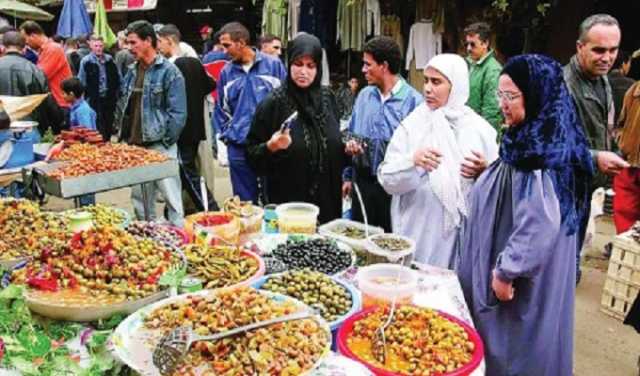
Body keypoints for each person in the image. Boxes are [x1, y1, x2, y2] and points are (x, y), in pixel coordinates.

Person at [459, 54, 595, 375]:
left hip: (522, 280)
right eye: (500, 94)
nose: (502, 104)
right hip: (525, 265)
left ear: (536, 97)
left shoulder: (538, 152)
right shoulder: (538, 133)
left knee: (517, 346)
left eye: (511, 96)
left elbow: (540, 223)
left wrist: (506, 272)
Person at [378, 54, 498, 268]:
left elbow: (497, 188)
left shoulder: (479, 130)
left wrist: (485, 173)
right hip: (418, 229)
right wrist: (412, 162)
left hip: (459, 238)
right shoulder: (413, 125)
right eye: (426, 81)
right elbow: (387, 179)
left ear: (457, 85)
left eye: (437, 82)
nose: (428, 89)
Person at [246, 33, 346, 223]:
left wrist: (347, 149)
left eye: (311, 66)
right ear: (288, 63)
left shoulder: (328, 99)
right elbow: (251, 154)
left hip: (328, 205)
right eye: (298, 64)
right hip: (288, 207)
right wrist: (272, 146)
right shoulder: (273, 103)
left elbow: (334, 144)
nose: (304, 72)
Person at [563, 13, 629, 283]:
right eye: (599, 50)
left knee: (573, 253)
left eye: (613, 50)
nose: (607, 57)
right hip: (563, 189)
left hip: (586, 183)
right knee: (561, 261)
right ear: (580, 47)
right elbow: (549, 146)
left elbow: (603, 127)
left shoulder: (601, 80)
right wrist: (594, 157)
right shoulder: (563, 86)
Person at [343, 36, 423, 232]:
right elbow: (351, 133)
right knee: (360, 238)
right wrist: (347, 175)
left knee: (389, 243)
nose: (363, 70)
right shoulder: (364, 96)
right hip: (362, 184)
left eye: (367, 64)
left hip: (394, 189)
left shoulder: (414, 102)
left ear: (384, 66)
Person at [113, 20, 187, 226]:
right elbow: (124, 106)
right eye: (127, 42)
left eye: (133, 42)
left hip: (160, 144)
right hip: (136, 146)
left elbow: (179, 113)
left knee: (171, 195)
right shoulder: (131, 71)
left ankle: (178, 235)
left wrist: (165, 141)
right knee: (140, 199)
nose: (129, 47)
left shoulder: (169, 72)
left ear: (148, 41)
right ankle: (148, 237)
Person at [214, 22, 287, 202]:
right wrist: (227, 137)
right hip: (239, 146)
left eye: (227, 45)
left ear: (241, 42)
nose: (224, 51)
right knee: (245, 204)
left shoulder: (273, 66)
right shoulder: (226, 72)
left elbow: (287, 102)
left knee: (274, 201)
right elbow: (221, 110)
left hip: (269, 144)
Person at [157, 24, 218, 214]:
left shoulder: (170, 68)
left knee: (188, 172)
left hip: (181, 131)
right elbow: (210, 85)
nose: (158, 46)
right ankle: (172, 210)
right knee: (183, 172)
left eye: (159, 41)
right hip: (196, 128)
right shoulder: (194, 64)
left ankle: (212, 210)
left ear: (169, 40)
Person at [0, 31, 50, 132]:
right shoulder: (35, 70)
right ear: (24, 49)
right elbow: (46, 102)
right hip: (28, 128)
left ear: (3, 47)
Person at [20, 21, 73, 115]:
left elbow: (39, 76)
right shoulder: (44, 50)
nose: (26, 43)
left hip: (60, 104)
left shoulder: (53, 49)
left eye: (26, 39)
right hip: (56, 103)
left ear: (33, 36)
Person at [60, 77, 97, 206]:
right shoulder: (76, 108)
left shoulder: (82, 111)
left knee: (85, 185)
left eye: (63, 93)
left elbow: (86, 134)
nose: (62, 96)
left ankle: (87, 209)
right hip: (80, 152)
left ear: (71, 94)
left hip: (86, 153)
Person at [78, 35, 120, 141]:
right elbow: (81, 81)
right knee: (97, 123)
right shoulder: (86, 61)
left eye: (100, 46)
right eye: (96, 46)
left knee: (109, 121)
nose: (98, 48)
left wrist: (118, 92)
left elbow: (118, 77)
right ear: (91, 46)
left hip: (109, 97)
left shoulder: (109, 59)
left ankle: (107, 141)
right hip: (93, 97)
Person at [463, 22, 503, 131]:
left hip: (481, 131)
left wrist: (484, 136)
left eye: (472, 44)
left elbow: (492, 111)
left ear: (485, 43)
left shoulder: (493, 70)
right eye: (467, 44)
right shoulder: (470, 64)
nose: (468, 48)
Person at [613, 79, 640, 234]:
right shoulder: (634, 91)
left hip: (630, 164)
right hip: (629, 165)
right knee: (625, 219)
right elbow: (621, 125)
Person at [608, 50, 635, 121]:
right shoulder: (632, 85)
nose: (630, 67)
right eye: (629, 63)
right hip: (623, 129)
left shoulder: (599, 82)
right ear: (623, 64)